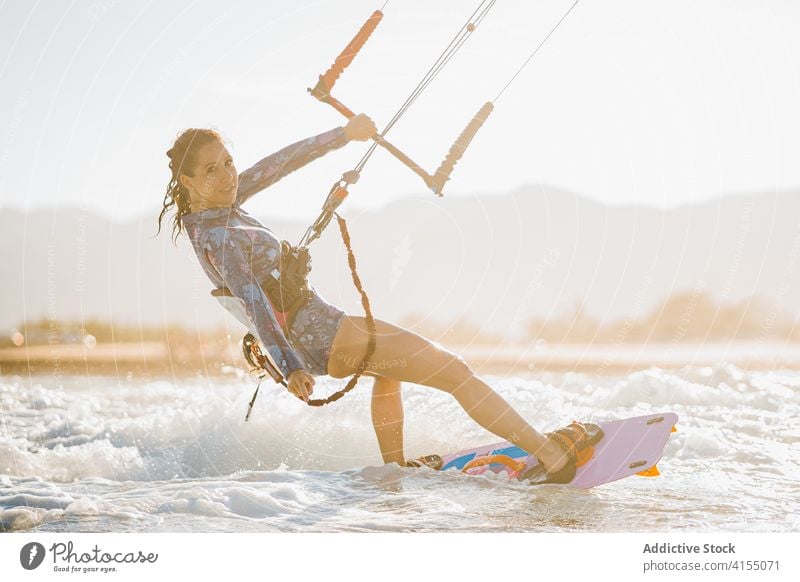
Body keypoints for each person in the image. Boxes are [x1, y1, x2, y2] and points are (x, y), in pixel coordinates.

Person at [159, 114, 590, 483]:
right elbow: (254, 303)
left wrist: (342, 135)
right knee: (454, 372)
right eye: (212, 170)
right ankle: (550, 454)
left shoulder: (221, 209)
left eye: (229, 162)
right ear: (188, 180)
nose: (228, 175)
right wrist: (289, 369)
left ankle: (393, 472)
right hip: (323, 336)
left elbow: (278, 165)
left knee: (388, 371)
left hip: (322, 333)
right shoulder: (218, 237)